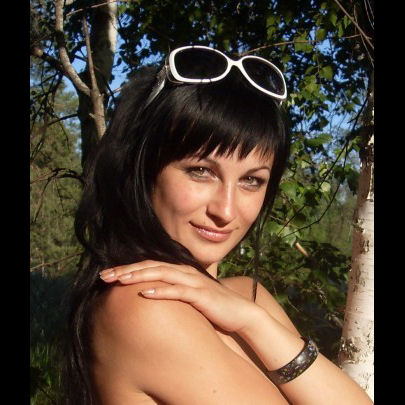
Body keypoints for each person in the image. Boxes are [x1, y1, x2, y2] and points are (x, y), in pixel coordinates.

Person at [63, 45, 373, 404]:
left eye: (251, 180)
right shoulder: (143, 307)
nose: (226, 210)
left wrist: (253, 321)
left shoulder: (245, 297)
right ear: (145, 169)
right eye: (201, 171)